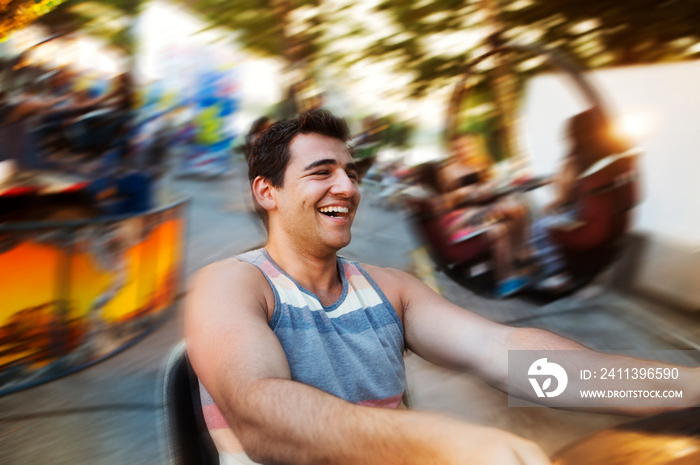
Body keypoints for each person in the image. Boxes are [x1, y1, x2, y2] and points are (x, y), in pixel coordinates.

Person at [186, 110, 698, 465]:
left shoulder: (391, 289)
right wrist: (448, 444)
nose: (347, 187)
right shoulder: (230, 283)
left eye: (350, 172)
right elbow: (261, 414)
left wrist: (678, 388)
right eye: (322, 173)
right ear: (266, 191)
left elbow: (510, 357)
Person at [530, 107, 628, 288]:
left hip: (581, 216)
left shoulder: (576, 159)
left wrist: (556, 184)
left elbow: (563, 196)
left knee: (540, 226)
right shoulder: (609, 159)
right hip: (607, 220)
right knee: (546, 217)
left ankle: (557, 272)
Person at [437, 133, 532, 297]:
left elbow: (488, 187)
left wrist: (490, 187)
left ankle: (519, 253)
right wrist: (463, 192)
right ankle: (508, 273)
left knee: (518, 207)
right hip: (466, 212)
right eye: (459, 147)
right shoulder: (448, 170)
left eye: (467, 146)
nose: (464, 150)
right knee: (505, 223)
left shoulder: (479, 165)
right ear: (453, 149)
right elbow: (444, 202)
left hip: (484, 205)